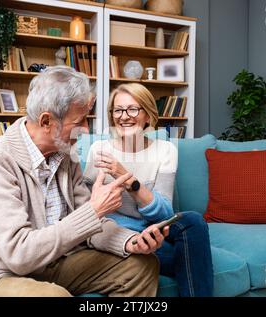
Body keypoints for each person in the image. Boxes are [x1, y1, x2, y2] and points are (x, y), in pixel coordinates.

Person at [0, 67, 168, 297]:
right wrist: (94, 210)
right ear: (46, 121)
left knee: (142, 266)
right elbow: (19, 254)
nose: (85, 130)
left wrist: (130, 241)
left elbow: (90, 226)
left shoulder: (65, 156)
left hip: (54, 262)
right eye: (79, 121)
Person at [83, 83, 214, 297]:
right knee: (189, 257)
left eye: (133, 109)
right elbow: (90, 212)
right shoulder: (99, 150)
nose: (124, 116)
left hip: (156, 228)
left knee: (193, 220)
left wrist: (127, 178)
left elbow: (164, 213)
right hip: (122, 234)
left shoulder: (166, 150)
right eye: (118, 110)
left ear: (147, 115)